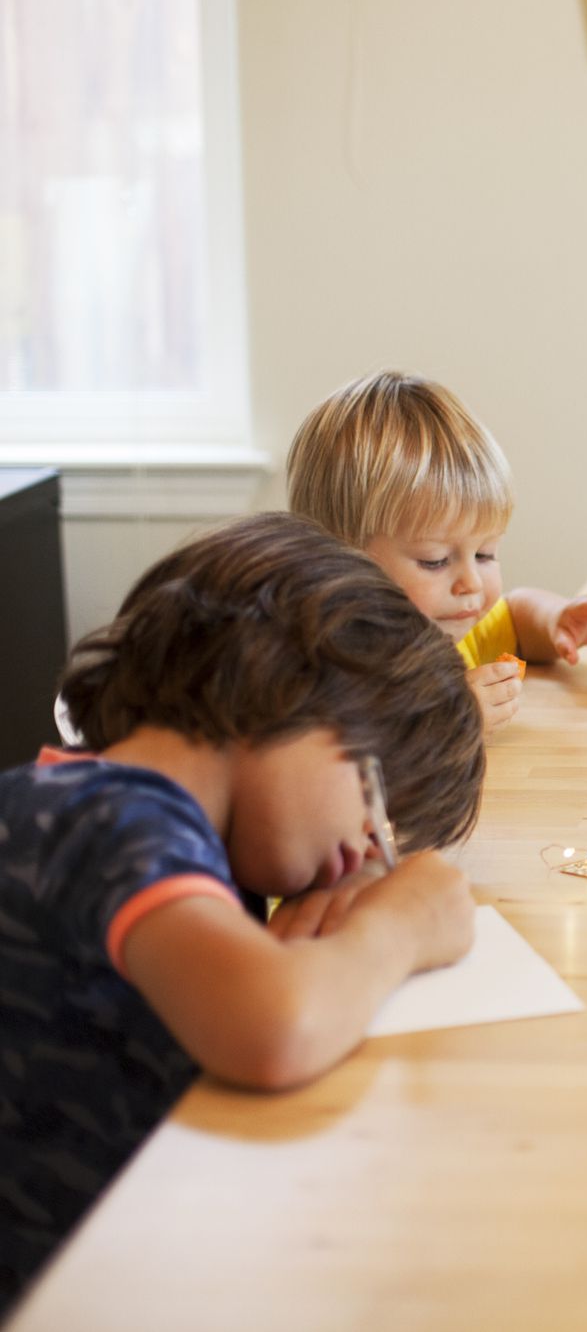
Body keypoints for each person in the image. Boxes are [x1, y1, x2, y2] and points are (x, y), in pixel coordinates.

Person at [0, 513, 485, 1304]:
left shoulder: (130, 820)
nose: (370, 848)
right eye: (377, 800)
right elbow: (275, 1025)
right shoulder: (114, 813)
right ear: (282, 681)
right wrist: (399, 929)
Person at [286, 370, 587, 731]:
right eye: (435, 561)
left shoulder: (448, 629)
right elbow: (343, 761)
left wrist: (556, 620)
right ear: (337, 561)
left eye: (485, 554)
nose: (472, 583)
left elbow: (514, 617)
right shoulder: (331, 663)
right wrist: (450, 721)